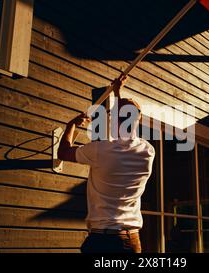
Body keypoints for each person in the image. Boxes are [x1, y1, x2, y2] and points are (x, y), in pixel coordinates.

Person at [57, 75, 155, 253]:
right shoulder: (147, 151)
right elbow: (124, 126)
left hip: (103, 241)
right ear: (138, 120)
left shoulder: (99, 150)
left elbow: (63, 152)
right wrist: (117, 93)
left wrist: (71, 125)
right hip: (132, 241)